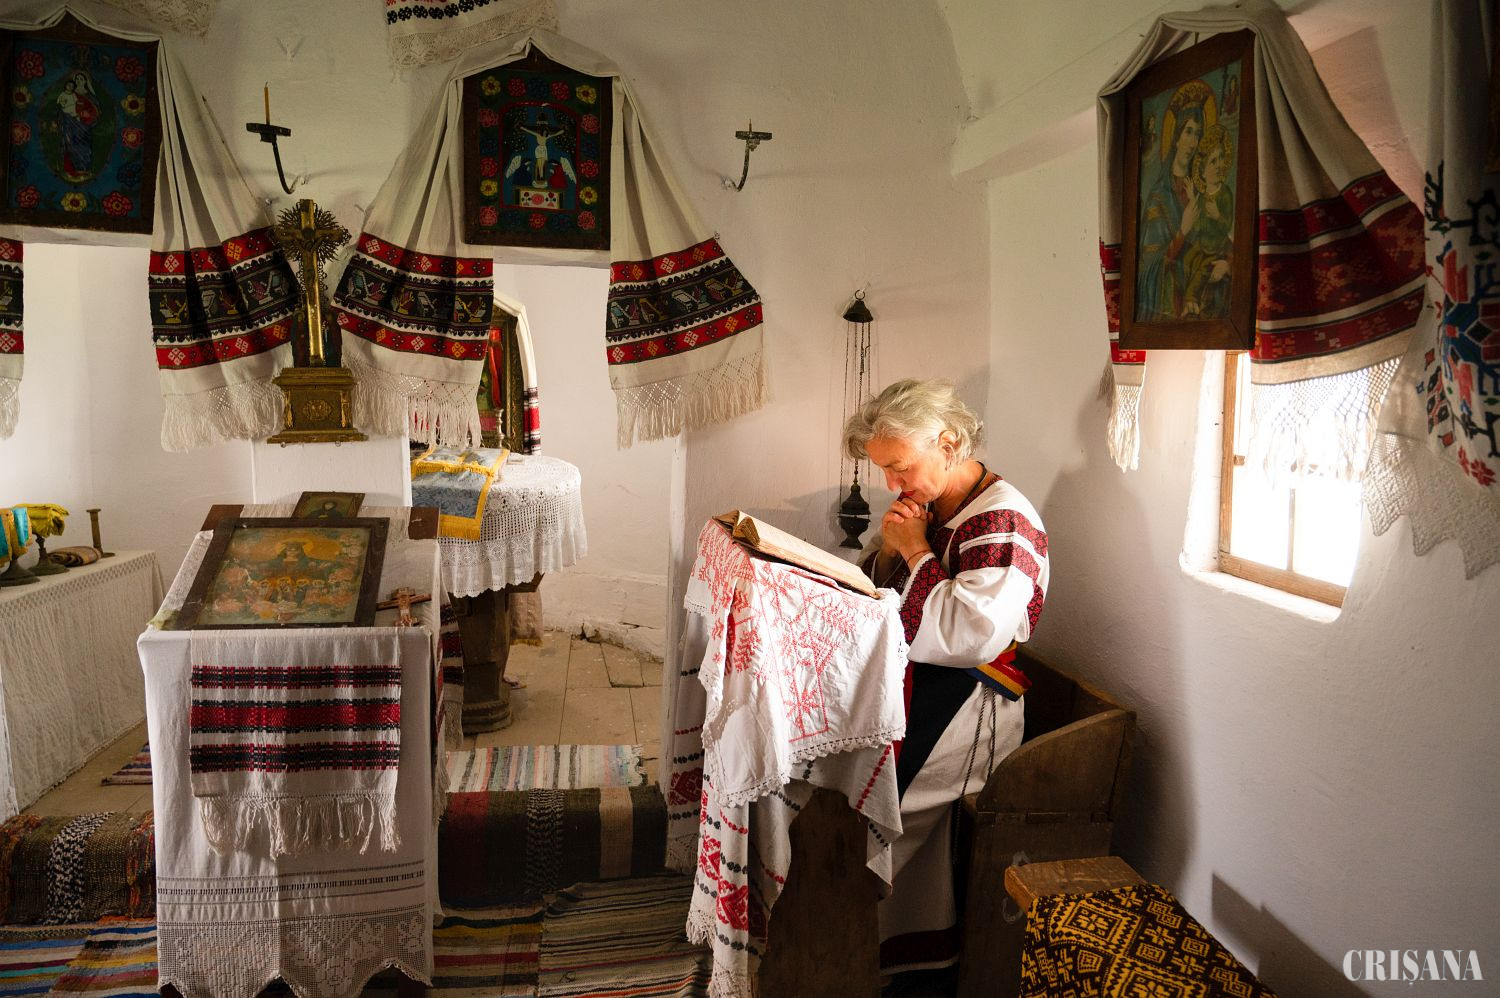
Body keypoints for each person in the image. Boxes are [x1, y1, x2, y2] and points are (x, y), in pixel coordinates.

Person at [842, 378, 1049, 977]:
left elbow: (967, 636)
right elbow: (883, 593)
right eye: (884, 469)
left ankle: (871, 959)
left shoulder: (1003, 521)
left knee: (882, 822)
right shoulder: (934, 503)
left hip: (971, 702)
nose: (892, 485)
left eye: (900, 467)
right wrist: (892, 549)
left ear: (950, 443)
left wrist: (913, 550)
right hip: (922, 687)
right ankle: (892, 958)